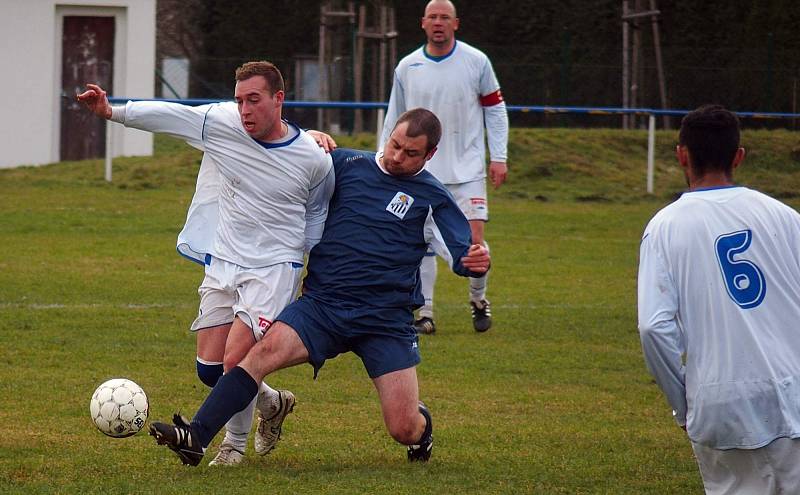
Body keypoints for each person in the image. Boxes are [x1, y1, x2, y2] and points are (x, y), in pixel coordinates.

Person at [148, 108, 491, 466]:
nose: (397, 157)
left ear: (430, 155)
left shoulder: (432, 196)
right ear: (388, 135)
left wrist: (474, 261)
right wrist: (308, 137)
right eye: (395, 145)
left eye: (410, 153)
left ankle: (422, 428)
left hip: (384, 321)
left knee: (403, 429)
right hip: (323, 307)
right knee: (258, 356)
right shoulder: (347, 164)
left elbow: (462, 251)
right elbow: (295, 157)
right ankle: (197, 437)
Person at [77, 61, 336, 466]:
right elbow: (173, 117)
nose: (244, 109)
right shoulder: (222, 123)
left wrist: (310, 270)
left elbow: (317, 215)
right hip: (224, 259)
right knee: (210, 370)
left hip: (273, 268)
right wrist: (114, 112)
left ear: (278, 99)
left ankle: (231, 445)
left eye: (254, 100)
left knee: (236, 360)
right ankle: (271, 404)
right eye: (239, 100)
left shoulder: (313, 158)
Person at [638, 104, 800, 494]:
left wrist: (683, 403)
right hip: (793, 392)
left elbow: (653, 327)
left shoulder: (665, 227)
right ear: (738, 157)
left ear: (682, 155)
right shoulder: (785, 217)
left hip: (721, 401)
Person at [379, 0, 509, 335]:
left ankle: (478, 300)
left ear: (456, 23)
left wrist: (499, 156)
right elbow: (394, 118)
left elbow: (495, 111)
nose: (438, 22)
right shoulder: (408, 66)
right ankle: (425, 312)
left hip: (467, 173)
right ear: (423, 23)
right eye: (433, 17)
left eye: (445, 17)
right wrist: (385, 161)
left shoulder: (476, 61)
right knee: (418, 241)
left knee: (474, 244)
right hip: (420, 171)